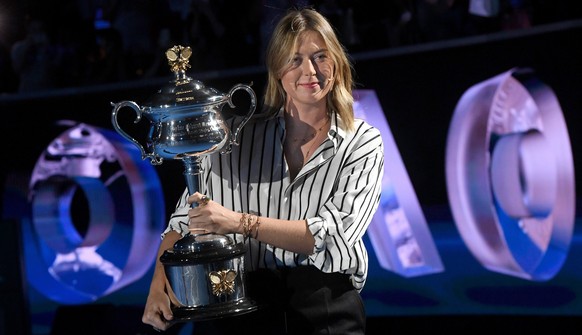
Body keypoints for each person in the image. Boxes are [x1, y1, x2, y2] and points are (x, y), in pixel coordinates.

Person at [142, 7, 384, 335]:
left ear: (337, 63)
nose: (310, 71)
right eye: (295, 59)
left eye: (320, 56)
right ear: (277, 69)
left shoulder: (363, 141)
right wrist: (157, 285)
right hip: (242, 305)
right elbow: (184, 220)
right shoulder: (235, 137)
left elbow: (334, 236)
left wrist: (238, 222)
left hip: (326, 309)